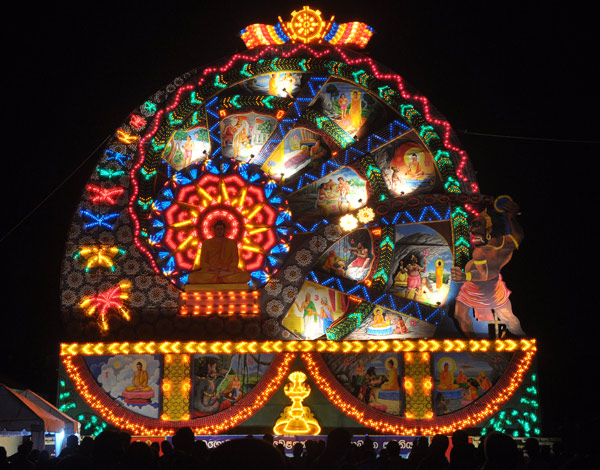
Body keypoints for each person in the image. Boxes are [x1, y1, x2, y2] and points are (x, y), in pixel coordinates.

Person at [451, 199, 526, 337]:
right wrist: (511, 217)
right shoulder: (505, 243)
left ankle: (523, 340)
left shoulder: (481, 252)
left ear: (489, 228)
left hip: (483, 286)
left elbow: (484, 275)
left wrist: (464, 276)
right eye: (471, 226)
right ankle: (475, 347)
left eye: (476, 225)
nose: (471, 230)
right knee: (461, 316)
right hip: (484, 286)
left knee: (506, 317)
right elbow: (519, 236)